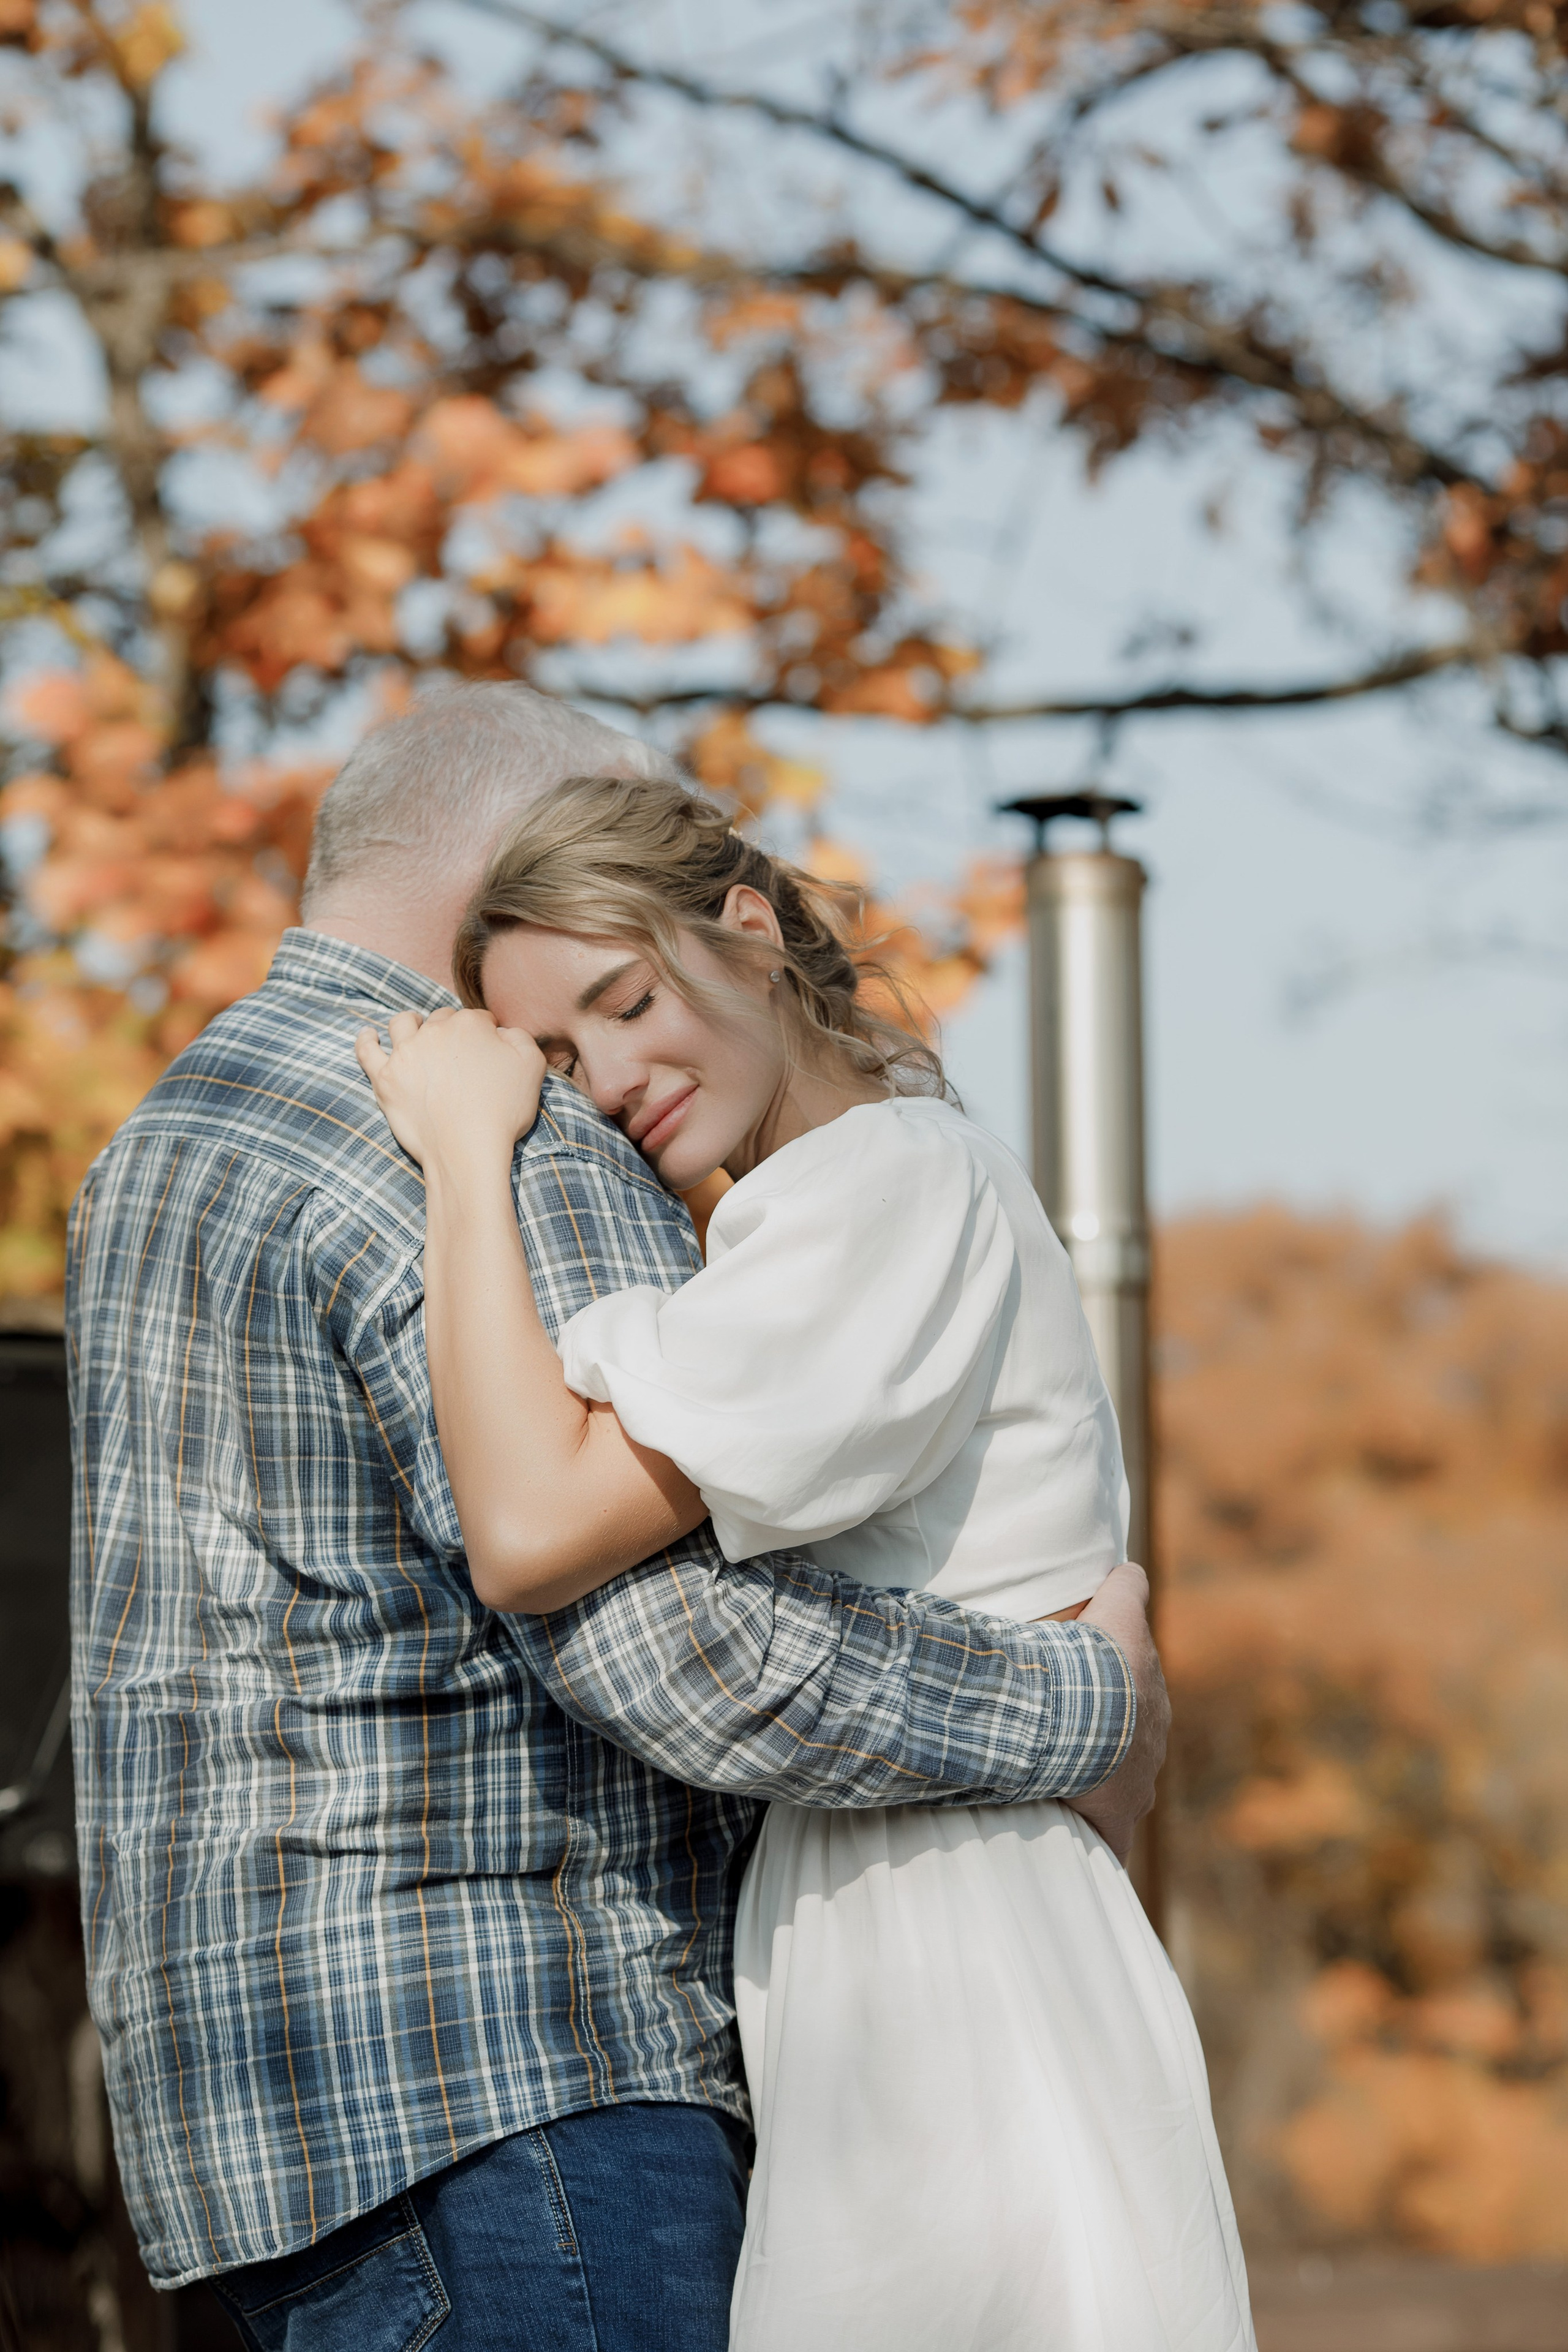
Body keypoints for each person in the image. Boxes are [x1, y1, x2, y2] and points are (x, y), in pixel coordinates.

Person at [67, 683, 1166, 2352]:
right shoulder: (489, 1139)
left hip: (243, 2137)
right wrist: (1086, 1701)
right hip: (523, 2086)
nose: (601, 1075)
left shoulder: (163, 1147)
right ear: (537, 871)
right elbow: (672, 1650)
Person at [355, 768, 1256, 2352]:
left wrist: (465, 1161)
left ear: (750, 931)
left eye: (625, 1000)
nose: (610, 1077)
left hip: (955, 1952)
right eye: (555, 1059)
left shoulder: (885, 1187)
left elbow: (527, 1529)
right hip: (914, 1914)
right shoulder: (810, 1216)